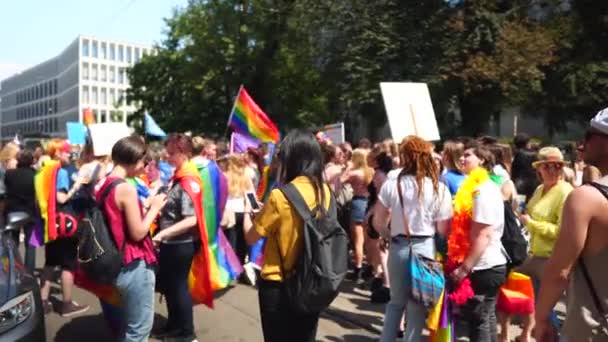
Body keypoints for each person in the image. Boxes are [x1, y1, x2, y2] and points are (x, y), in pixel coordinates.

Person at [242, 129, 331, 342]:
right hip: (313, 279)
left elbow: (251, 238)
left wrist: (248, 211)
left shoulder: (280, 195)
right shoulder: (325, 191)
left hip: (278, 282)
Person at [535, 109, 608, 341]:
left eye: (588, 135)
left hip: (592, 328)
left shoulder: (587, 198)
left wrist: (541, 318)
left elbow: (559, 272)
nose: (581, 144)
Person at [371, 136, 452, 341]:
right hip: (425, 246)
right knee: (417, 307)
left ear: (405, 157)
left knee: (395, 303)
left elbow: (377, 221)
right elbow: (444, 228)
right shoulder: (438, 188)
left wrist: (388, 235)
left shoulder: (392, 184)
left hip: (399, 246)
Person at [499, 146, 572, 342]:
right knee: (528, 298)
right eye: (547, 166)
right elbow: (529, 214)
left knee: (544, 307)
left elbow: (561, 231)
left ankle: (552, 336)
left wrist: (531, 223)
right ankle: (528, 334)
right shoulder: (540, 190)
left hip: (552, 257)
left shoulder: (565, 192)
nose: (553, 170)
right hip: (533, 253)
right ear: (538, 168)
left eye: (557, 166)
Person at [96, 136, 165, 341]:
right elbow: (138, 232)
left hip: (117, 261)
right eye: (145, 162)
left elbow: (116, 217)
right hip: (133, 263)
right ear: (134, 160)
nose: (145, 168)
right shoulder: (125, 188)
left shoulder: (106, 182)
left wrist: (143, 207)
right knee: (139, 329)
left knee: (129, 324)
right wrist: (154, 208)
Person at [451, 142, 508, 341]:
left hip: (484, 264)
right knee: (486, 316)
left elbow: (483, 234)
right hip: (487, 263)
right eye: (461, 155)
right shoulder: (477, 187)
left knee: (479, 320)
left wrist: (464, 268)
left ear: (482, 160)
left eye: (467, 155)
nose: (462, 159)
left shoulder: (482, 190)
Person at [151, 134, 201, 341]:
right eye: (168, 152)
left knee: (179, 288)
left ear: (185, 152)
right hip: (171, 243)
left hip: (180, 244)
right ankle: (173, 328)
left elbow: (192, 220)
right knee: (171, 288)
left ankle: (187, 333)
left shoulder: (189, 180)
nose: (168, 157)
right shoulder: (178, 176)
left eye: (172, 153)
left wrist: (163, 233)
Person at [39, 139, 90, 317]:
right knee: (68, 265)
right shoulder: (60, 172)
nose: (70, 154)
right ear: (58, 153)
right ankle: (67, 304)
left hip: (52, 222)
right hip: (65, 225)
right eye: (67, 151)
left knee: (50, 262)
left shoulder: (46, 170)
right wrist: (77, 187)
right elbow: (61, 198)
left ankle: (43, 302)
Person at [341, 148, 374, 283]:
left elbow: (341, 181)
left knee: (358, 240)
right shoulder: (370, 172)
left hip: (358, 203)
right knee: (367, 240)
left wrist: (347, 168)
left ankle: (358, 269)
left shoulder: (354, 173)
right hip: (369, 204)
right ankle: (371, 268)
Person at [4, 149, 37, 272]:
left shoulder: (9, 174)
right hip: (30, 212)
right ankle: (29, 272)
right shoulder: (35, 174)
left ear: (18, 160)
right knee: (30, 245)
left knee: (12, 243)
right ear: (32, 161)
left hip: (12, 211)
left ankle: (12, 269)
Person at [511, 133, 539, 202]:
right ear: (527, 143)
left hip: (520, 184)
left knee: (520, 206)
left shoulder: (517, 155)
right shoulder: (535, 154)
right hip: (534, 183)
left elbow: (514, 170)